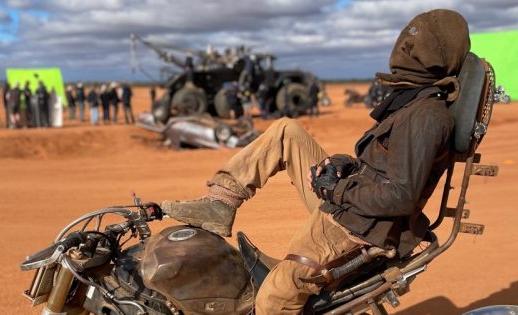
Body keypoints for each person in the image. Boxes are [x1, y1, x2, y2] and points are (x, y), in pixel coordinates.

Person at [160, 9, 469, 313]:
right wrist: (342, 164)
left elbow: (399, 196)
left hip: (362, 226)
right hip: (354, 201)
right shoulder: (410, 101)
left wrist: (335, 190)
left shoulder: (426, 116)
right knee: (286, 131)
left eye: (415, 44)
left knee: (274, 299)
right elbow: (380, 165)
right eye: (406, 39)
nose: (403, 48)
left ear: (436, 56)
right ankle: (221, 201)